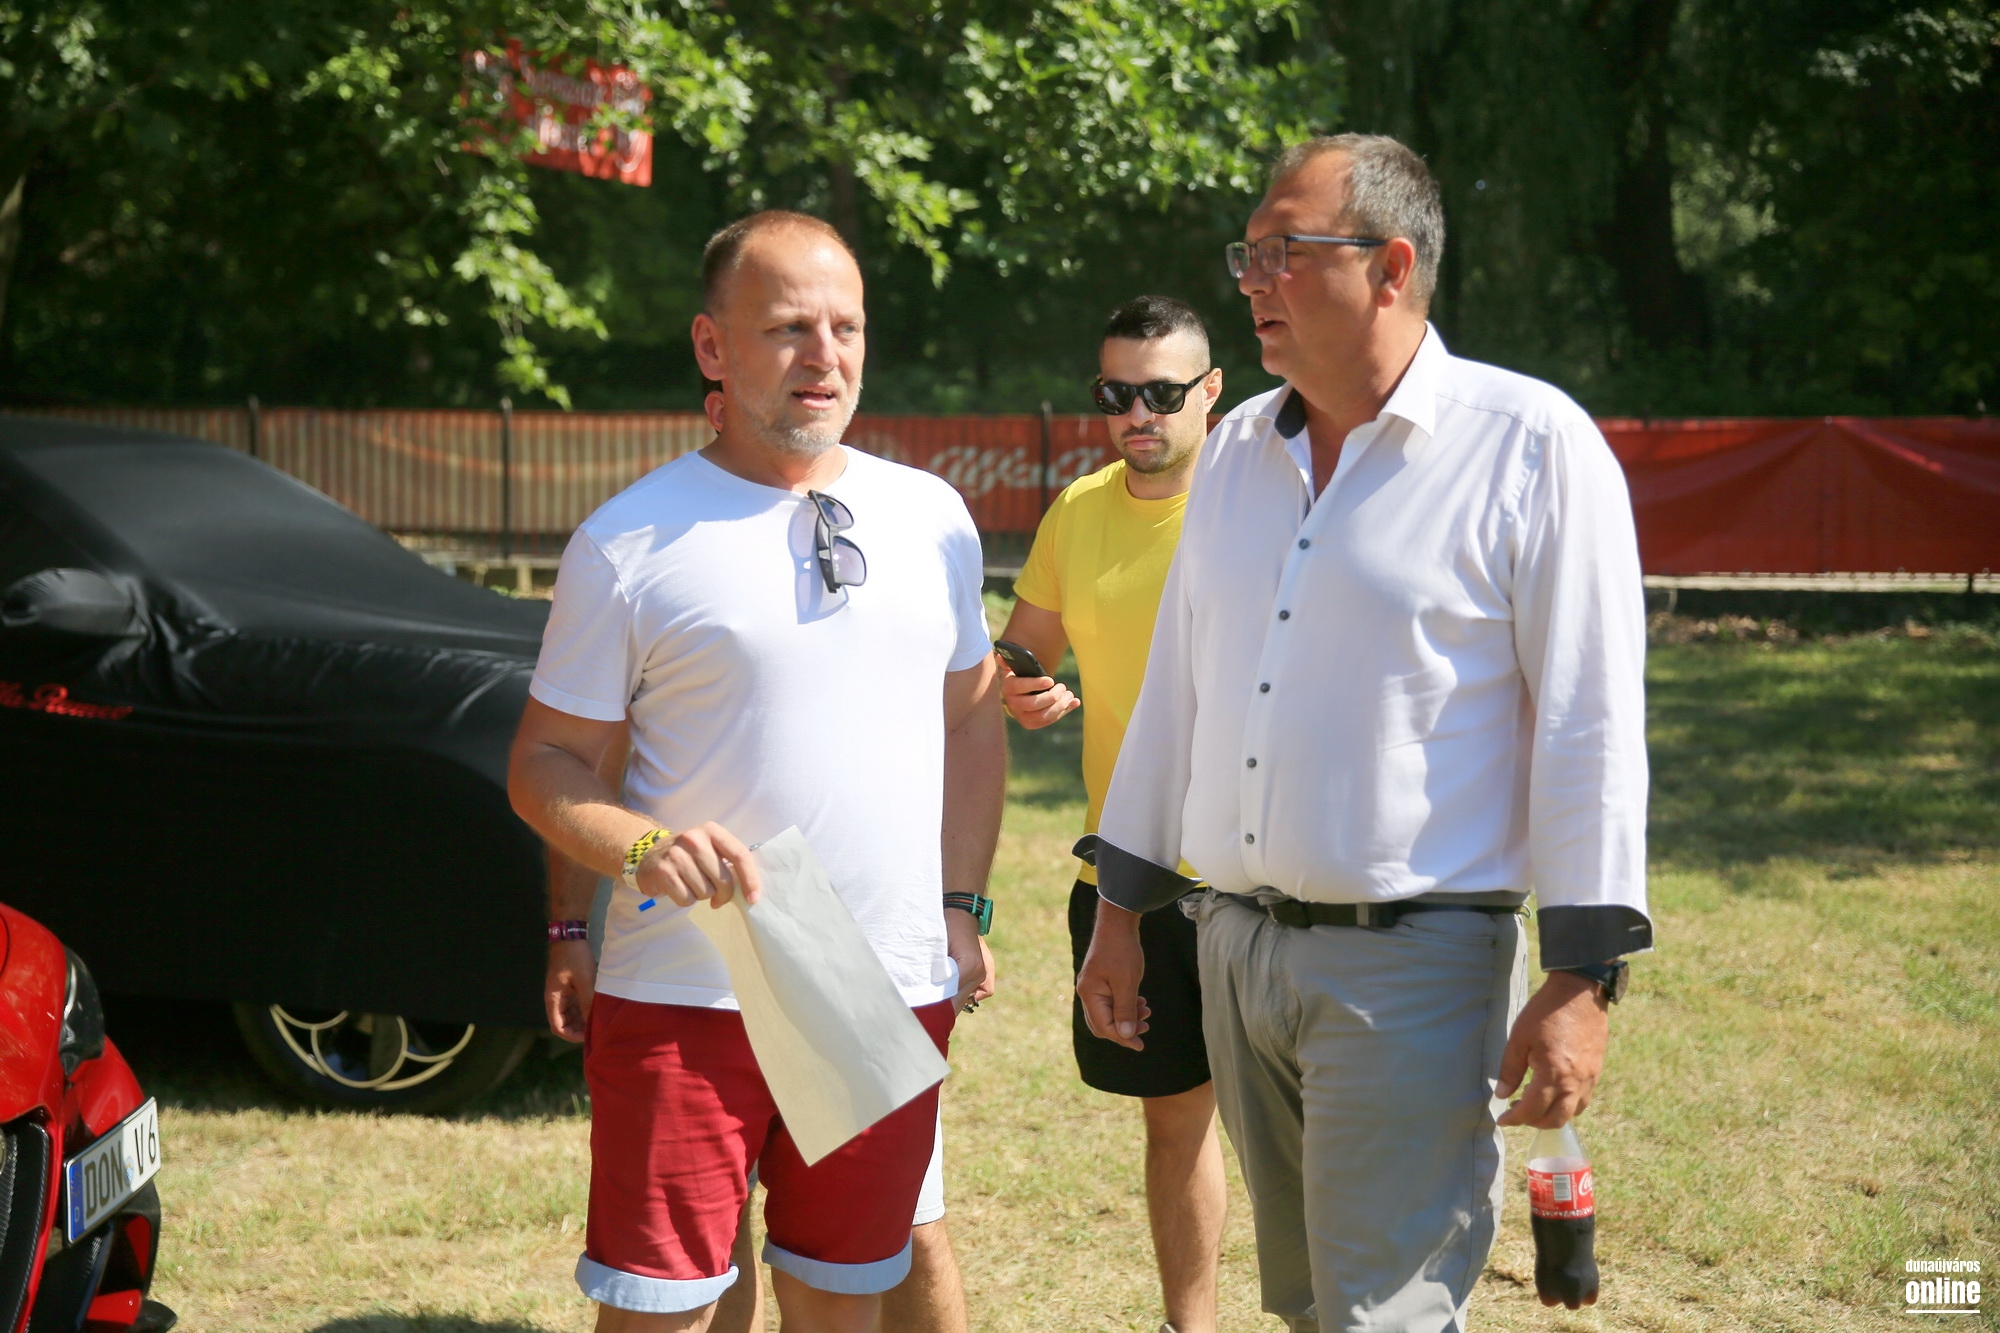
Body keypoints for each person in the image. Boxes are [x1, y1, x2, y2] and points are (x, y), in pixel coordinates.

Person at [1075, 134, 1653, 1333]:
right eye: (1247, 254)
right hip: (1236, 951)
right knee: (1305, 1304)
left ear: (1391, 267)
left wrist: (1581, 973)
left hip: (1412, 966)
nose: (1252, 279)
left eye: (1284, 252)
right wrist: (1121, 911)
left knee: (1380, 1314)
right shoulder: (1236, 451)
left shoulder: (1529, 444)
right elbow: (1179, 690)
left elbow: (1590, 722)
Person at [510, 208, 1006, 1333]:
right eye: (787, 327)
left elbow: (974, 720)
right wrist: (637, 848)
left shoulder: (931, 517)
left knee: (841, 1299)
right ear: (712, 345)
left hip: (871, 981)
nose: (824, 355)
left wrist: (960, 905)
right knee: (666, 1309)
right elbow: (543, 760)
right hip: (689, 988)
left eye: (846, 327)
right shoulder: (628, 542)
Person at [994, 295, 1227, 1333]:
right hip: (1127, 877)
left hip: (1262, 877)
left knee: (1311, 1131)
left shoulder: (1260, 503)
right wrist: (1021, 682)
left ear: (1210, 391)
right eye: (1116, 393)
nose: (1139, 414)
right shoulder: (1079, 510)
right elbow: (1026, 645)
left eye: (1163, 393)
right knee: (1174, 1125)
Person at [544, 791, 981, 1333]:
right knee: (661, 1295)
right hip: (680, 975)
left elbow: (970, 744)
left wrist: (964, 905)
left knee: (848, 1286)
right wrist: (569, 925)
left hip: (874, 971)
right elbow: (563, 763)